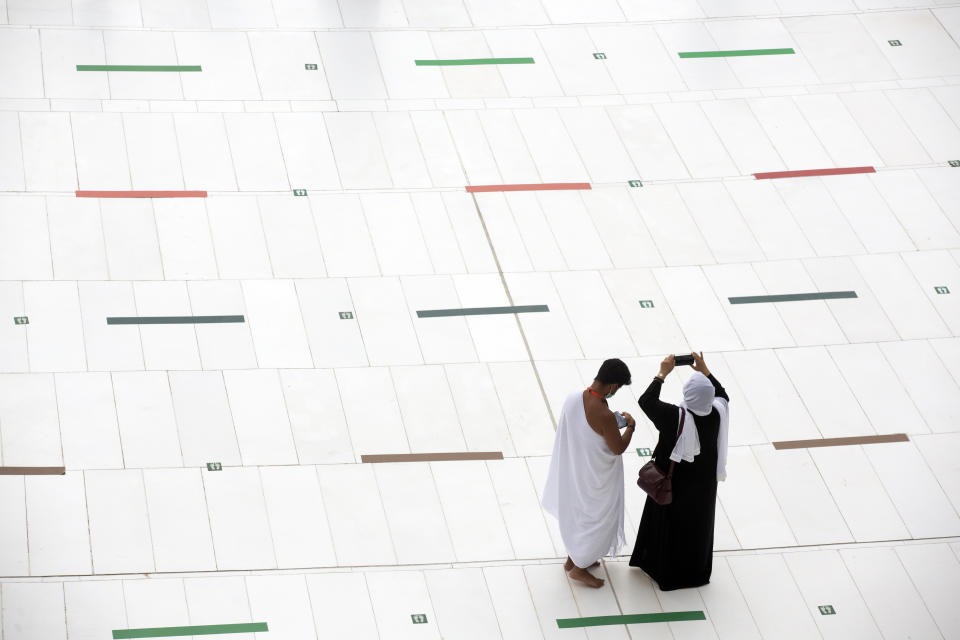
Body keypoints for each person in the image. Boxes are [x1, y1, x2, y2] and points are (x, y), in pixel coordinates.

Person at [629, 352, 729, 591]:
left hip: (674, 483)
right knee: (696, 527)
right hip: (704, 485)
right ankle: (694, 573)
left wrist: (662, 373)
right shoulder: (717, 413)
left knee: (670, 527)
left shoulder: (675, 417)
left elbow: (646, 400)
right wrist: (705, 370)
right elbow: (723, 394)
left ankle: (665, 572)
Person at [542, 358, 637, 588]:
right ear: (613, 386)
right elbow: (617, 448)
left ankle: (572, 558)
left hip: (575, 471)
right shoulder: (603, 414)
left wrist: (614, 423)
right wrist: (631, 427)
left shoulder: (574, 397)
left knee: (579, 516)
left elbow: (583, 429)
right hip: (596, 478)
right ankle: (580, 569)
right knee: (598, 520)